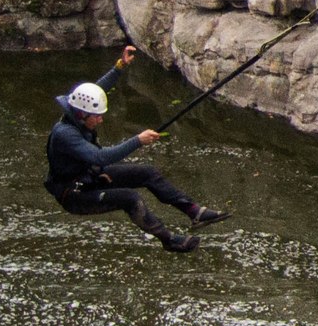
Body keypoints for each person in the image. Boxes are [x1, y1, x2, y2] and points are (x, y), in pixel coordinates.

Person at [46, 46, 227, 253]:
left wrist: (119, 67)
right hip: (75, 195)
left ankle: (194, 211)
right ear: (81, 115)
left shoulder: (78, 108)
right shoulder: (65, 134)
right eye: (96, 116)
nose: (100, 119)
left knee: (147, 173)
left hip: (90, 177)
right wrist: (137, 140)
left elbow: (98, 89)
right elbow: (101, 156)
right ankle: (169, 240)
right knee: (130, 198)